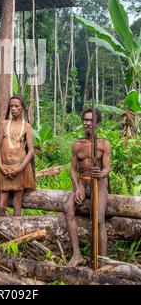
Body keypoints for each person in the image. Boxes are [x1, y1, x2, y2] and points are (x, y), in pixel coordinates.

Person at [64, 107, 111, 266]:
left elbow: (107, 168)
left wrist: (101, 173)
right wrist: (77, 187)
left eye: (91, 120)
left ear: (98, 124)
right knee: (68, 208)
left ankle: (103, 261)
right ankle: (77, 255)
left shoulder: (103, 144)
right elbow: (72, 169)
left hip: (99, 181)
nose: (88, 123)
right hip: (83, 180)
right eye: (86, 120)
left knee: (98, 219)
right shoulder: (77, 144)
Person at [0, 95, 36, 217]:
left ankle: (16, 232)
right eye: (11, 106)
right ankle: (0, 232)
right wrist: (0, 165)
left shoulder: (26, 126)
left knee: (16, 203)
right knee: (1, 205)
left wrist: (21, 167)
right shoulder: (3, 124)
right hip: (5, 168)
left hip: (20, 168)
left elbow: (30, 150)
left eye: (16, 106)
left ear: (22, 108)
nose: (13, 108)